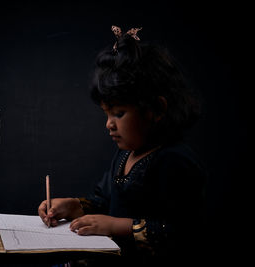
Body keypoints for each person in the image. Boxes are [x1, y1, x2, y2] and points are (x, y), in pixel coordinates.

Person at [38, 26, 206, 265]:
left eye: (118, 113)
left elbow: (182, 231)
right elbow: (103, 202)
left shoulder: (173, 160)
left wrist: (116, 226)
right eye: (106, 114)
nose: (109, 124)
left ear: (156, 109)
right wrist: (73, 206)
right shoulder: (125, 154)